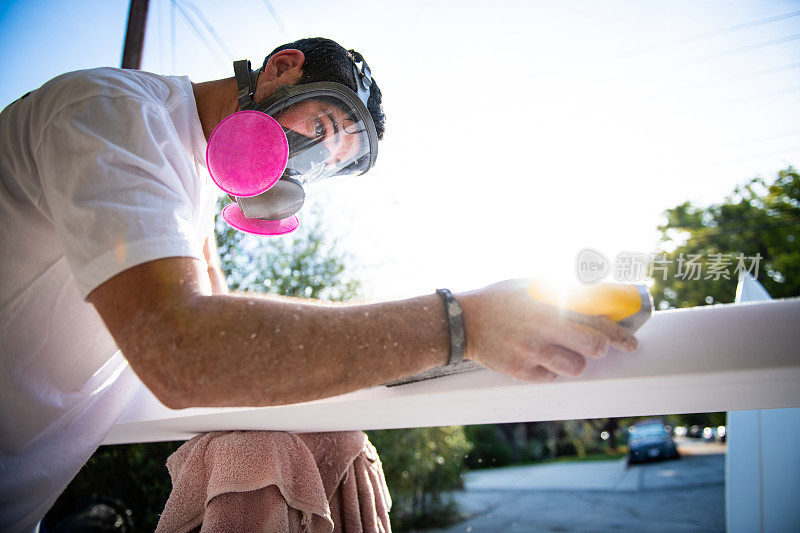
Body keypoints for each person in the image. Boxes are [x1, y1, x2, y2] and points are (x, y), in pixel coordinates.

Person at [0, 37, 638, 532]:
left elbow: (238, 364)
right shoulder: (113, 116)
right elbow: (188, 353)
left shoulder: (186, 200)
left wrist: (351, 405)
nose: (305, 167)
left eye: (328, 164)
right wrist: (464, 323)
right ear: (281, 69)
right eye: (322, 130)